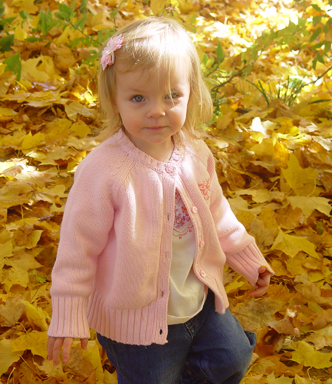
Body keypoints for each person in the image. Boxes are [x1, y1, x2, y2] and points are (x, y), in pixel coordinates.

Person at [46, 16, 274, 384]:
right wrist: (68, 312)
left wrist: (247, 259)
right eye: (139, 98)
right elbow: (77, 249)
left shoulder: (195, 154)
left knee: (231, 357)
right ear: (114, 99)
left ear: (191, 94)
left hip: (199, 302)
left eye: (172, 96)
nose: (157, 110)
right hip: (136, 325)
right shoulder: (104, 171)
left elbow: (217, 214)